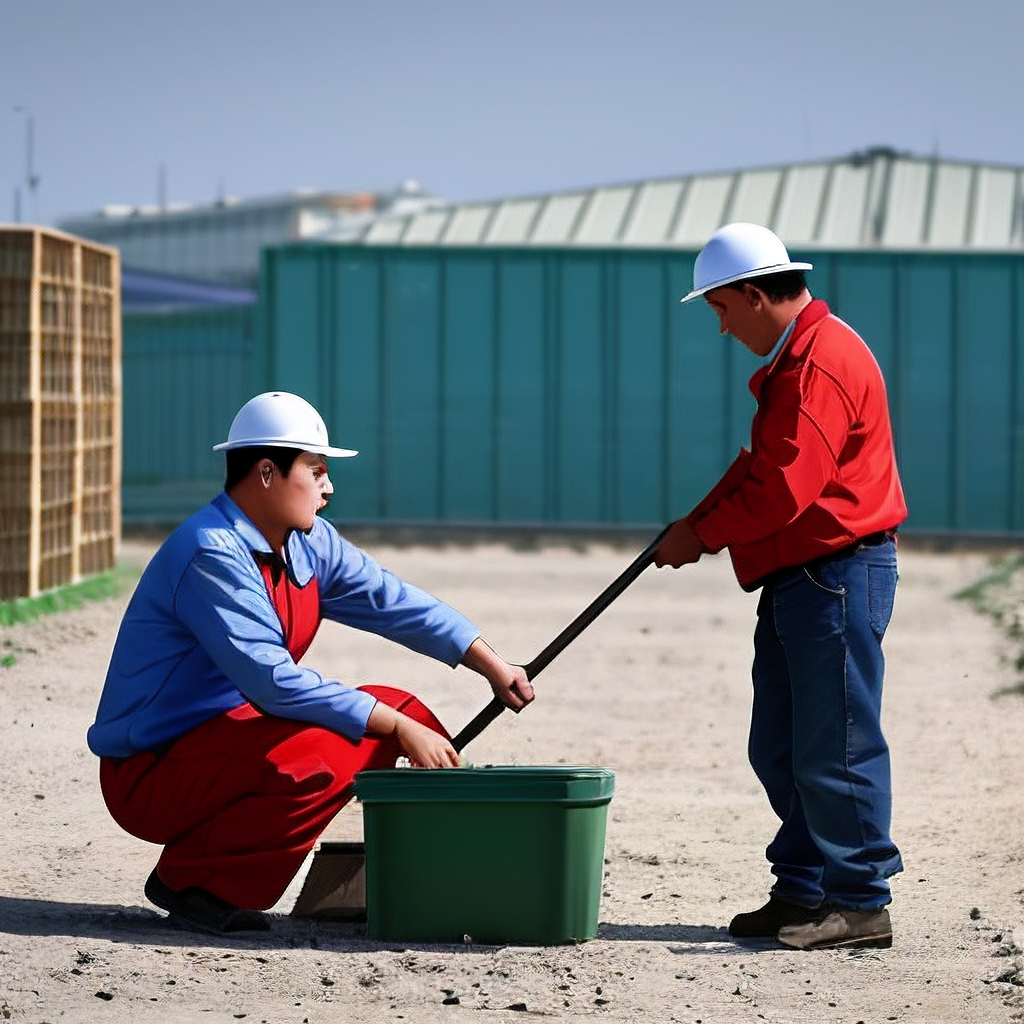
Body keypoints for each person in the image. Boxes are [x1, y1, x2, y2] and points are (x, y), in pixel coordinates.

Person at [88, 391, 533, 935]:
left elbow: (388, 599)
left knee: (402, 709)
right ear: (269, 473)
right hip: (152, 772)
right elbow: (273, 682)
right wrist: (394, 727)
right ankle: (197, 883)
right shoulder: (210, 553)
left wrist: (491, 663)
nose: (329, 486)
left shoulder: (307, 541)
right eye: (317, 471)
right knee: (335, 749)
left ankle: (441, 865)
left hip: (226, 740)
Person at [655, 223, 907, 951]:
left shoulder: (818, 364)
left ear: (755, 294)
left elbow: (785, 491)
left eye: (721, 307)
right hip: (807, 574)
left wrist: (701, 536)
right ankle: (802, 889)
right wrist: (695, 520)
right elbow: (763, 471)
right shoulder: (805, 355)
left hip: (835, 572)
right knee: (784, 745)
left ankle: (860, 901)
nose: (720, 323)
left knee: (836, 745)